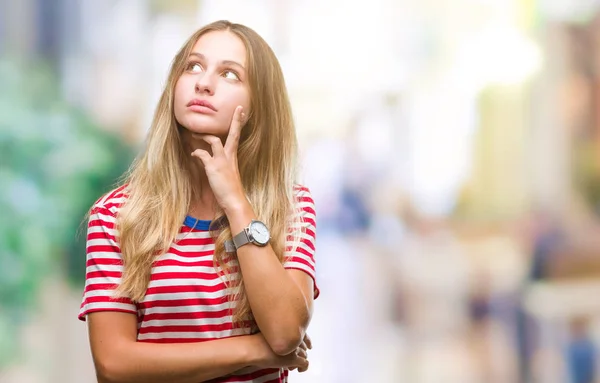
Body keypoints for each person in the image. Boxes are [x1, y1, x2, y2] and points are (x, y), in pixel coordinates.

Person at [78, 20, 319, 383]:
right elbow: (114, 365)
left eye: (230, 74)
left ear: (257, 105)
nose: (203, 83)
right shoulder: (116, 214)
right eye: (193, 66)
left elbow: (286, 332)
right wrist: (254, 350)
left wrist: (236, 202)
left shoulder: (291, 207)